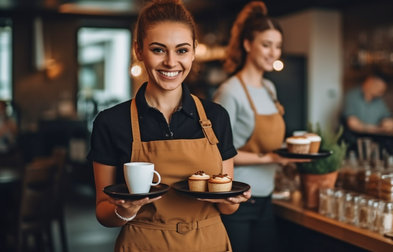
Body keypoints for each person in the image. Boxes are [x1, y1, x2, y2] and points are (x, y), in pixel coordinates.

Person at [88, 1, 250, 251]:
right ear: (139, 51)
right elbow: (103, 212)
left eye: (182, 50)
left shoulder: (216, 117)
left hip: (209, 243)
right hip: (143, 244)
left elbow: (227, 207)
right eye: (158, 50)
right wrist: (125, 211)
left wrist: (232, 200)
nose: (171, 62)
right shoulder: (111, 122)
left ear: (194, 51)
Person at [213, 2, 309, 251]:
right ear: (247, 45)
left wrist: (291, 152)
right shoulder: (230, 91)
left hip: (267, 197)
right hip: (238, 199)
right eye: (266, 45)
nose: (273, 52)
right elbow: (215, 152)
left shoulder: (269, 88)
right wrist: (271, 158)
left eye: (277, 46)